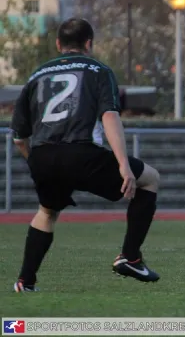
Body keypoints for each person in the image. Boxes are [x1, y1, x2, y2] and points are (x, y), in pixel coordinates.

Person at [10, 18, 161, 292]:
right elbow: (109, 116)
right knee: (149, 179)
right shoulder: (99, 70)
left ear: (58, 44)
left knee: (46, 212)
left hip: (42, 156)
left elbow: (19, 137)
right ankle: (130, 256)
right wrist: (123, 164)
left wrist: (35, 162)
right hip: (80, 153)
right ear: (89, 44)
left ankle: (25, 281)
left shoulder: (36, 75)